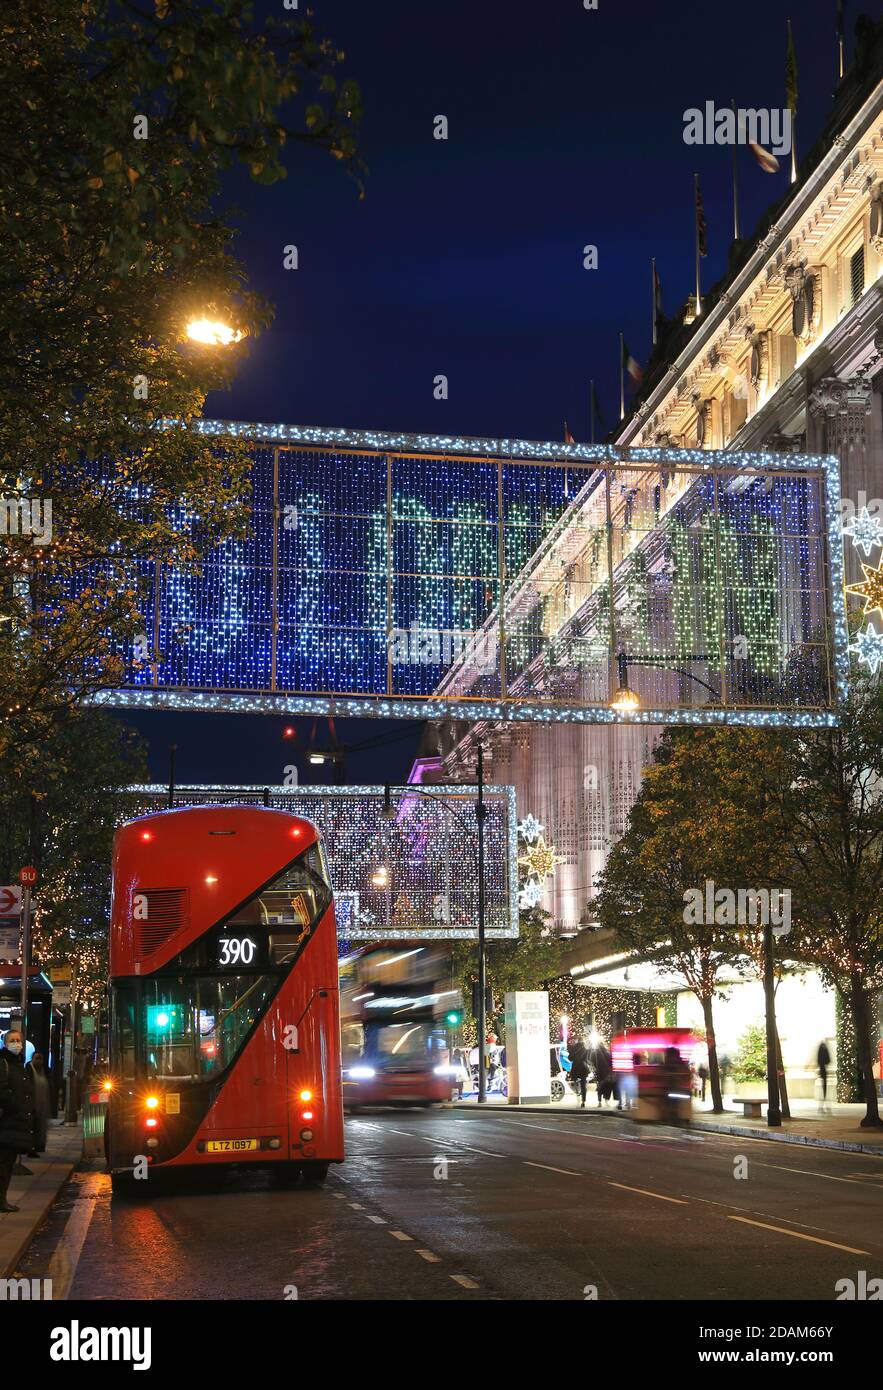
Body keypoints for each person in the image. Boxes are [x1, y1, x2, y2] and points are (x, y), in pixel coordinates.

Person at [0, 1028, 37, 1212]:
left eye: (18, 1040)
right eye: (12, 1040)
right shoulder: (4, 1064)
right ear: (6, 1044)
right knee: (3, 1165)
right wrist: (15, 1105)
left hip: (14, 1124)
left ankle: (2, 1200)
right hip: (6, 1123)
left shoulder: (19, 1065)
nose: (16, 1043)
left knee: (6, 1165)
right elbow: (3, 1093)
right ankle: (1, 1201)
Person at [28, 1052, 52, 1155]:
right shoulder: (29, 1071)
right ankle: (31, 1148)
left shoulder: (43, 1071)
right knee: (33, 1128)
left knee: (41, 1127)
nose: (39, 1061)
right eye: (36, 1058)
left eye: (40, 1059)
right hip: (33, 1105)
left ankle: (39, 1146)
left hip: (42, 1106)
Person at [567, 1036, 590, 1108]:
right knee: (583, 1085)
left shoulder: (574, 1048)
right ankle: (583, 1101)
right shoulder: (586, 1049)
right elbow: (588, 1059)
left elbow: (570, 1058)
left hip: (576, 1068)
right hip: (583, 1068)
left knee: (574, 1081)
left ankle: (578, 1094)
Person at [817, 1039, 831, 1113]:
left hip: (822, 1070)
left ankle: (822, 1105)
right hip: (824, 1070)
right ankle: (823, 1104)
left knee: (823, 1088)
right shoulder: (824, 1049)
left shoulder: (820, 1050)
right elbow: (828, 1060)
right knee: (824, 1088)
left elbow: (819, 1060)